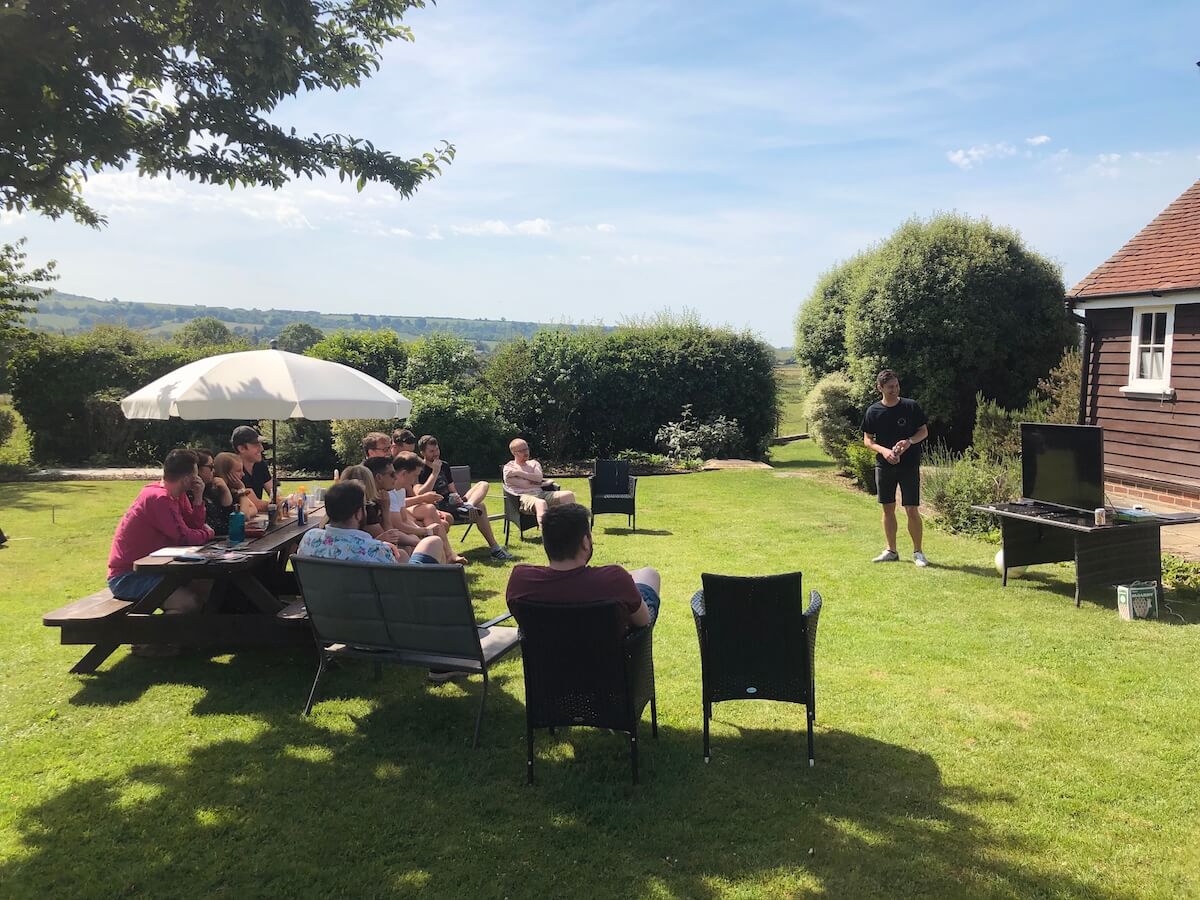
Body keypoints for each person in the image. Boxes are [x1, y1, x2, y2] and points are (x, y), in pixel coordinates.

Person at [506, 503, 660, 630]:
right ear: (585, 542)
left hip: (545, 666)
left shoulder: (521, 580)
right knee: (649, 575)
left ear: (545, 542)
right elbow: (643, 621)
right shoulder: (615, 580)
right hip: (608, 665)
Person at [106, 449, 215, 603]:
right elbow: (185, 538)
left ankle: (201, 626)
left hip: (156, 568)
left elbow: (193, 526)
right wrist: (208, 533)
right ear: (186, 478)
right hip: (128, 576)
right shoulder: (158, 498)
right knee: (188, 602)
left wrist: (198, 498)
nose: (197, 478)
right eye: (195, 474)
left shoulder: (178, 494)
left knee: (205, 584)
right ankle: (164, 627)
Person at [861, 369, 930, 567]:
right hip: (884, 466)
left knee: (911, 509)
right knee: (888, 508)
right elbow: (867, 439)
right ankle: (891, 550)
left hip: (909, 465)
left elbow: (923, 431)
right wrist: (883, 451)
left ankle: (918, 552)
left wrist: (909, 442)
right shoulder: (873, 411)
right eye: (890, 387)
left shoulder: (910, 406)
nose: (894, 390)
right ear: (880, 388)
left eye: (897, 386)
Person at [297, 480, 443, 565]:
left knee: (404, 554)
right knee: (433, 542)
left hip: (325, 609)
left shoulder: (310, 538)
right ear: (359, 513)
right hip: (376, 612)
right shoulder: (376, 551)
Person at [417, 435, 514, 561]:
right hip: (440, 508)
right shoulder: (419, 469)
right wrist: (434, 473)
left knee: (483, 484)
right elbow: (420, 493)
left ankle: (469, 506)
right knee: (481, 507)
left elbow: (451, 488)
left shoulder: (444, 465)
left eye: (437, 450)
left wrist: (456, 497)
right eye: (431, 451)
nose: (436, 454)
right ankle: (495, 549)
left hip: (453, 502)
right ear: (422, 453)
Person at [370, 453, 467, 565]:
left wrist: (425, 531)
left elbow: (404, 519)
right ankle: (441, 567)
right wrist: (425, 531)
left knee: (433, 529)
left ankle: (446, 561)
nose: (416, 480)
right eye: (415, 476)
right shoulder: (388, 492)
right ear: (404, 474)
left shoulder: (400, 490)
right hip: (391, 536)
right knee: (423, 539)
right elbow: (397, 525)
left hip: (395, 533)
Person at [502, 438, 575, 526]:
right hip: (522, 498)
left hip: (540, 493)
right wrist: (543, 483)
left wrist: (518, 473)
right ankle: (547, 535)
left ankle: (572, 530)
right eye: (522, 450)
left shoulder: (534, 463)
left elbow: (538, 478)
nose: (526, 452)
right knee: (540, 503)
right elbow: (525, 485)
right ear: (514, 453)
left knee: (568, 495)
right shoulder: (509, 468)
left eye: (527, 449)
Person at [194, 448, 234, 536]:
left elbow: (229, 517)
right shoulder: (191, 495)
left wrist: (225, 492)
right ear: (197, 469)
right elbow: (215, 527)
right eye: (211, 467)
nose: (214, 471)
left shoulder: (209, 490)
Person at [231, 425, 271, 511]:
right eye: (256, 445)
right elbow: (257, 505)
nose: (261, 448)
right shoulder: (235, 470)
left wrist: (284, 500)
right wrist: (280, 503)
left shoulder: (260, 465)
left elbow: (274, 493)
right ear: (241, 448)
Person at [213, 452, 260, 519]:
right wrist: (242, 489)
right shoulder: (220, 492)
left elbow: (254, 508)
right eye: (238, 471)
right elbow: (244, 516)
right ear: (225, 473)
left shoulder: (233, 490)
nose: (243, 474)